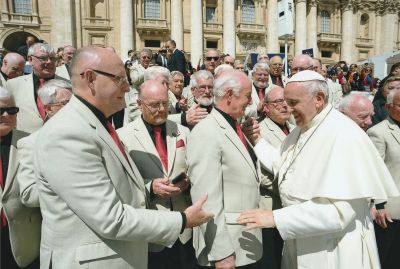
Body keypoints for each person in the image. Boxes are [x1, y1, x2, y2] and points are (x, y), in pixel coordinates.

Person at [33, 46, 213, 269]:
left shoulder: (97, 123)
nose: (128, 87)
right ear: (90, 78)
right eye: (120, 79)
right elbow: (111, 218)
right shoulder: (68, 133)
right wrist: (183, 220)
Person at [238, 70, 398, 269]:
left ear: (319, 99)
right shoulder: (302, 128)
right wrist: (257, 140)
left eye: (293, 102)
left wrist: (275, 217)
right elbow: (283, 165)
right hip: (302, 240)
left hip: (333, 249)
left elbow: (339, 214)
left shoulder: (343, 135)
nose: (287, 108)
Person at [118, 80, 198, 269]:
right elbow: (122, 182)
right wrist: (150, 188)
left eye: (164, 103)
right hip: (152, 229)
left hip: (185, 229)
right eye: (154, 105)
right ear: (139, 104)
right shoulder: (124, 136)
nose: (161, 109)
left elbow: (194, 168)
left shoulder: (183, 132)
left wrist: (188, 183)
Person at [187, 70, 262, 269]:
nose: (250, 102)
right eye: (247, 96)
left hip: (245, 243)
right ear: (229, 95)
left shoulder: (234, 127)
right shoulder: (207, 132)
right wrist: (221, 253)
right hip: (227, 251)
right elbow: (206, 198)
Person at [0, 87, 40, 269]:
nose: (7, 115)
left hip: (24, 240)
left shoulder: (31, 142)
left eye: (12, 110)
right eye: (0, 111)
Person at [17, 79, 73, 208]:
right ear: (49, 109)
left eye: (76, 102)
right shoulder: (31, 143)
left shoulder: (91, 131)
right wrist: (72, 185)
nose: (75, 108)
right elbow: (28, 195)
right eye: (67, 103)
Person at [258, 85, 292, 269]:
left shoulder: (294, 128)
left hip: (293, 206)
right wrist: (291, 189)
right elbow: (261, 175)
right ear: (266, 107)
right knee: (272, 258)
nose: (284, 105)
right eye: (278, 102)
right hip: (272, 204)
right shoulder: (259, 131)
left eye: (287, 101)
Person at [367, 89, 400, 269]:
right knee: (389, 259)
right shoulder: (378, 133)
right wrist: (378, 204)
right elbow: (373, 171)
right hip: (391, 210)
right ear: (388, 107)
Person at [6, 43, 69, 133]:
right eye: (43, 58)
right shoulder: (13, 85)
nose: (49, 62)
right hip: (24, 143)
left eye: (52, 58)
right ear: (30, 59)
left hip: (59, 141)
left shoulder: (68, 85)